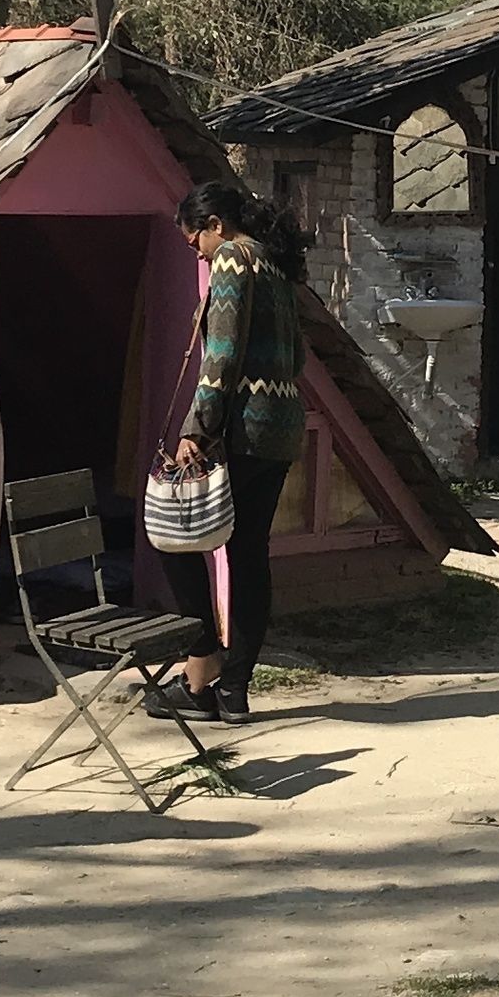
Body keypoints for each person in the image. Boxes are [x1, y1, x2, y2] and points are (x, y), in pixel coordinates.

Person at [152, 178, 309, 730]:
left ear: (215, 225)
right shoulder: (277, 266)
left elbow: (220, 355)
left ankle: (201, 668)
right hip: (281, 428)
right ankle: (234, 691)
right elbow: (298, 358)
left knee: (174, 534)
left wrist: (197, 429)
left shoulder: (233, 259)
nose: (196, 252)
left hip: (241, 428)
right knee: (248, 555)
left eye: (195, 239)